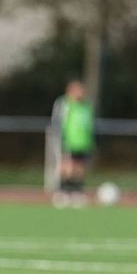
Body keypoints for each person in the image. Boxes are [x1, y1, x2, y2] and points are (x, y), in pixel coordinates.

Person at [50, 79, 95, 209]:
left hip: (83, 141)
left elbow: (89, 124)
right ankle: (62, 192)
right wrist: (61, 138)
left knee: (79, 167)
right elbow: (58, 122)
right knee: (67, 166)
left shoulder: (87, 105)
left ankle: (77, 192)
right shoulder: (64, 104)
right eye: (78, 90)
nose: (81, 93)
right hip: (68, 140)